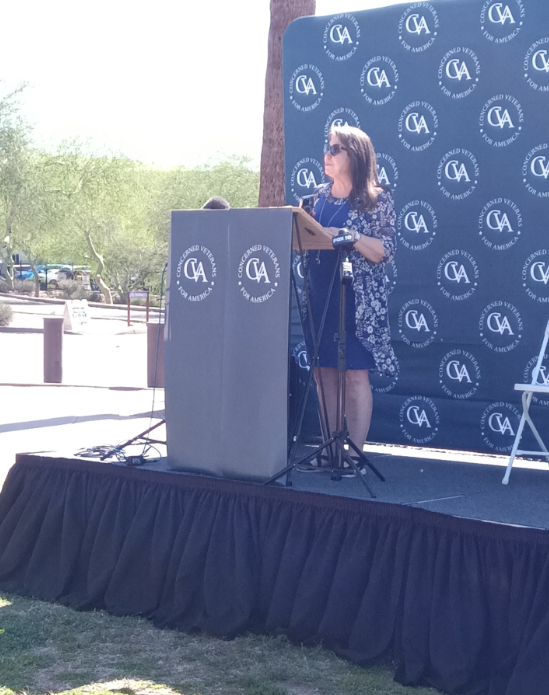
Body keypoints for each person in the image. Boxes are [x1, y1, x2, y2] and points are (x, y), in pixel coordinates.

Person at [302, 125, 397, 472]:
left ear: (354, 155)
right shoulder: (316, 198)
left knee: (354, 375)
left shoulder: (375, 199)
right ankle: (330, 449)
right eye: (327, 147)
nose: (327, 155)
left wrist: (350, 236)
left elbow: (385, 250)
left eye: (335, 149)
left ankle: (354, 455)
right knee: (323, 371)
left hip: (358, 301)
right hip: (320, 295)